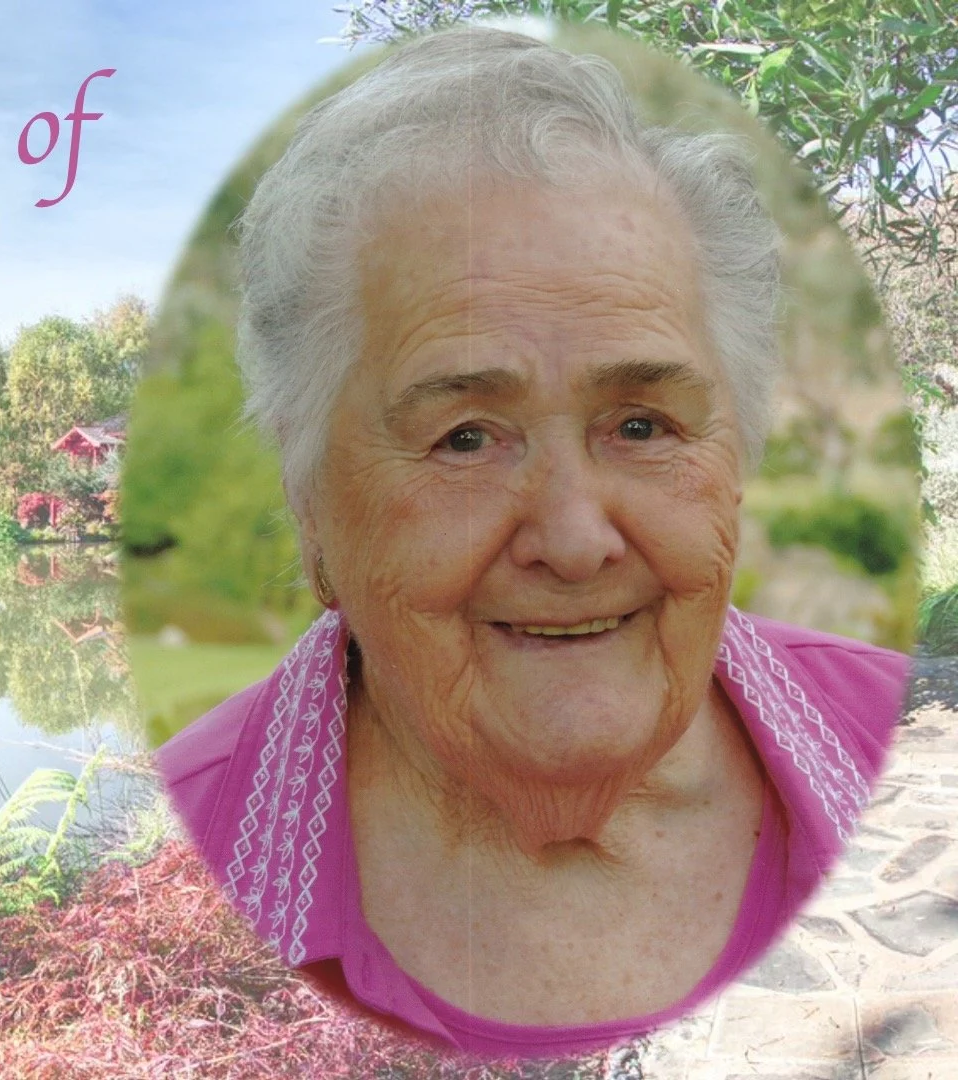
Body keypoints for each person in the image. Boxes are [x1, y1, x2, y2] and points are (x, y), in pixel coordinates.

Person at [153, 24, 908, 1058]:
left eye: (642, 425)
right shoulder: (192, 849)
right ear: (313, 502)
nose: (574, 537)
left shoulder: (898, 751)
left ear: (736, 457)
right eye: (464, 437)